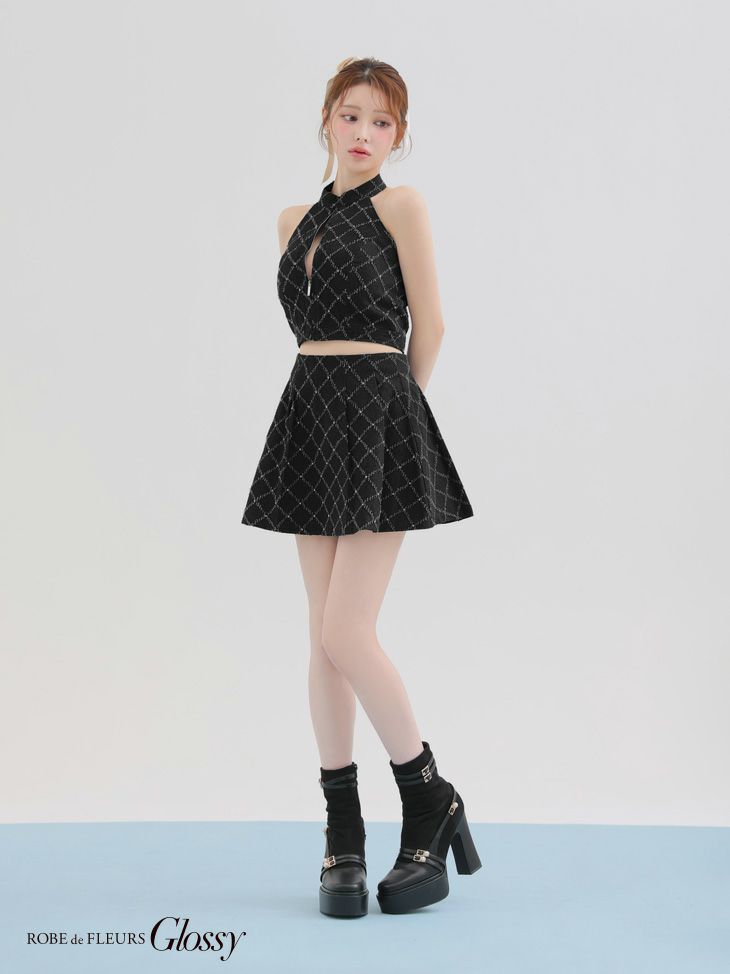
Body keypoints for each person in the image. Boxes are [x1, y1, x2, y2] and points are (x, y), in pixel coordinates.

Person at [240, 56, 481, 916]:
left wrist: (396, 419)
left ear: (399, 135)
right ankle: (342, 833)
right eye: (352, 116)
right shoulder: (291, 221)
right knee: (323, 638)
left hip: (379, 410)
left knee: (349, 628)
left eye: (383, 122)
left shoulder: (400, 206)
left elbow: (433, 324)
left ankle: (428, 793)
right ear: (327, 121)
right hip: (309, 409)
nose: (365, 133)